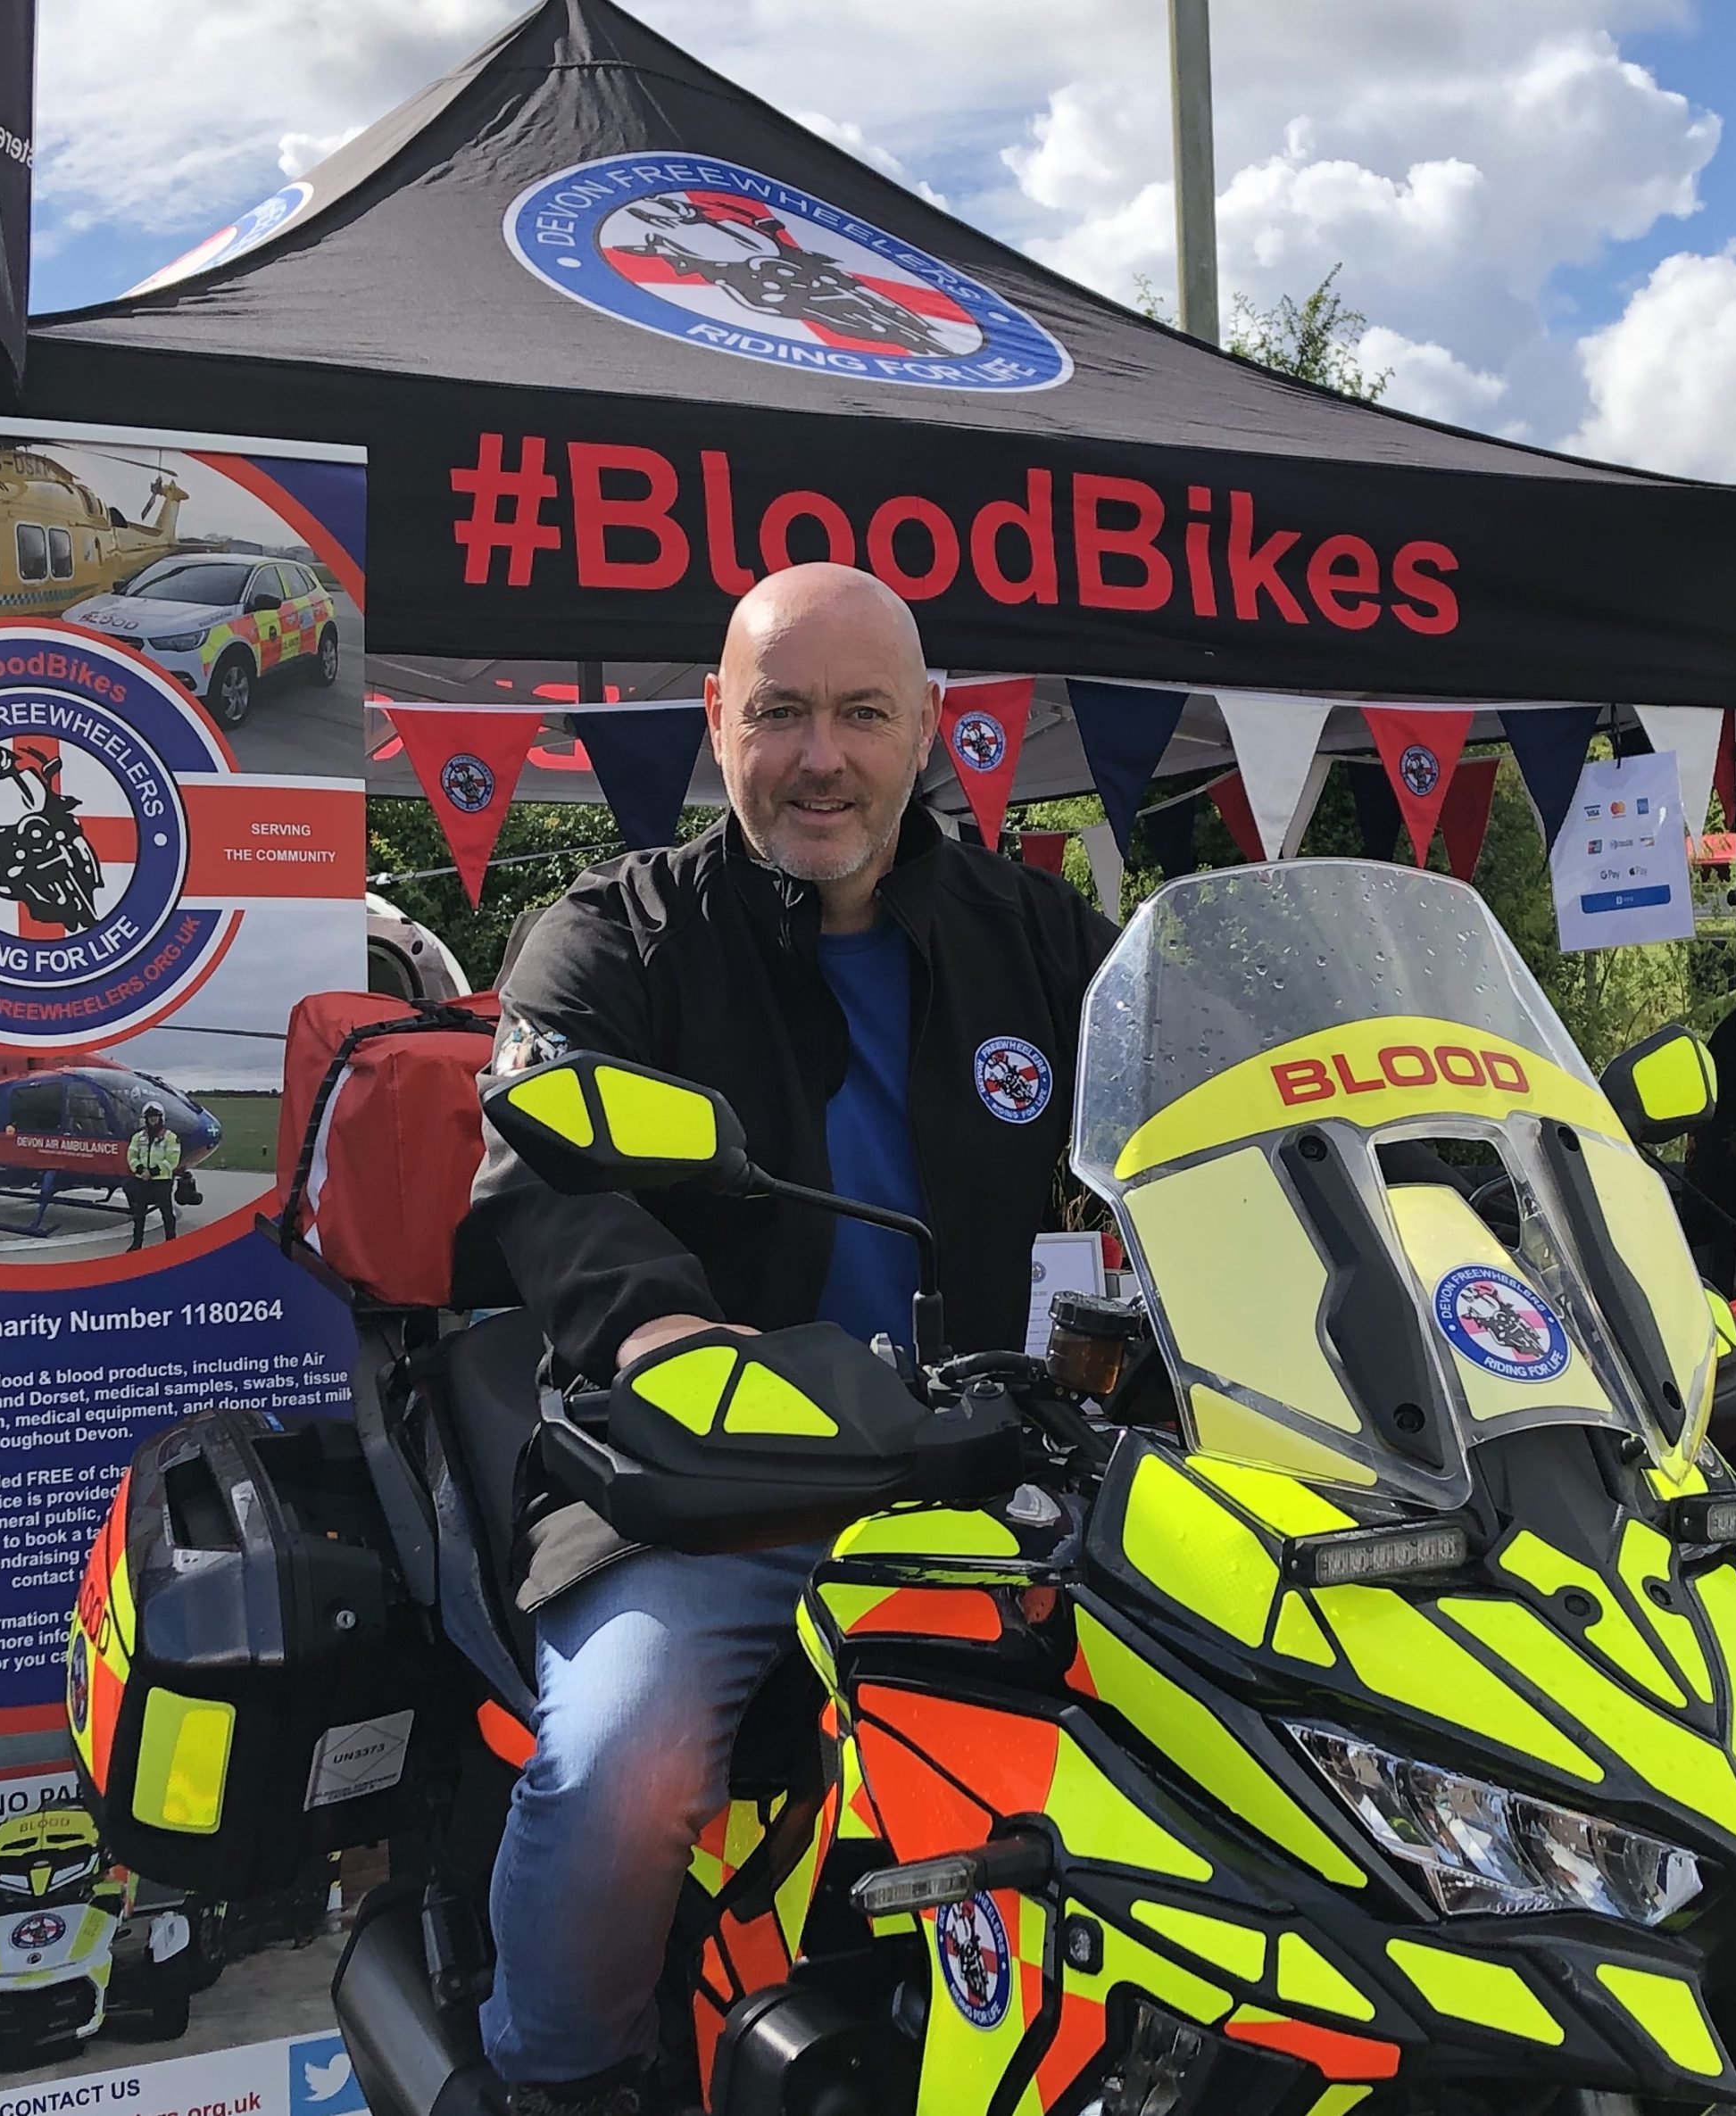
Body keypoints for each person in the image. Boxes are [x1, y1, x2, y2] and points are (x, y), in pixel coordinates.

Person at [471, 563, 1118, 2113]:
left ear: (930, 731)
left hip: (1002, 1469)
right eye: (778, 713)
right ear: (717, 720)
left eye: (861, 713)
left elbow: (1195, 1131)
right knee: (623, 1756)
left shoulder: (1043, 937)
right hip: (710, 1480)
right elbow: (550, 1182)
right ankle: (553, 2076)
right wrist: (674, 1339)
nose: (819, 754)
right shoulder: (610, 935)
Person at [125, 1102, 181, 1250]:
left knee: (167, 1214)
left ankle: (171, 1243)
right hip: (142, 1180)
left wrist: (153, 1172)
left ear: (161, 1118)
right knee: (139, 1214)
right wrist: (140, 1170)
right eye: (150, 1117)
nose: (153, 1119)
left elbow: (172, 1160)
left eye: (155, 1116)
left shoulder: (170, 1137)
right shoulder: (138, 1137)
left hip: (162, 1181)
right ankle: (137, 1244)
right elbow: (131, 1156)